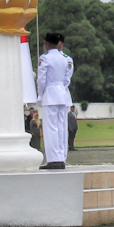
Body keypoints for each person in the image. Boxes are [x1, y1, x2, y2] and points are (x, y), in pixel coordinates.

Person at [37, 32, 72, 169]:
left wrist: (41, 94)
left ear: (46, 43)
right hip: (62, 94)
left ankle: (53, 159)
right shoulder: (64, 58)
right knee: (61, 128)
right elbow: (66, 79)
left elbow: (41, 80)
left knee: (51, 128)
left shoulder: (45, 58)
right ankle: (61, 157)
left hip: (50, 94)